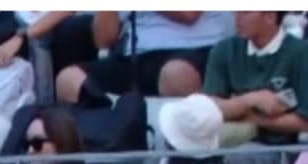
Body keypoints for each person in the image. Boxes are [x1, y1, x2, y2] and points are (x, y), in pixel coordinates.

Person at [201, 11, 308, 164]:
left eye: (246, 11)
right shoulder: (224, 50)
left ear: (270, 16)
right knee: (169, 152)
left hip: (285, 147)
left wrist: (249, 117)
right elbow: (207, 108)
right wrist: (253, 99)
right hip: (226, 140)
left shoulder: (301, 53)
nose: (237, 16)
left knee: (242, 157)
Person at [55, 12, 234, 104]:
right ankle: (100, 155)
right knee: (70, 80)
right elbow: (103, 40)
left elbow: (188, 14)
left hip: (193, 48)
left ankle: (183, 161)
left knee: (175, 74)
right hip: (136, 54)